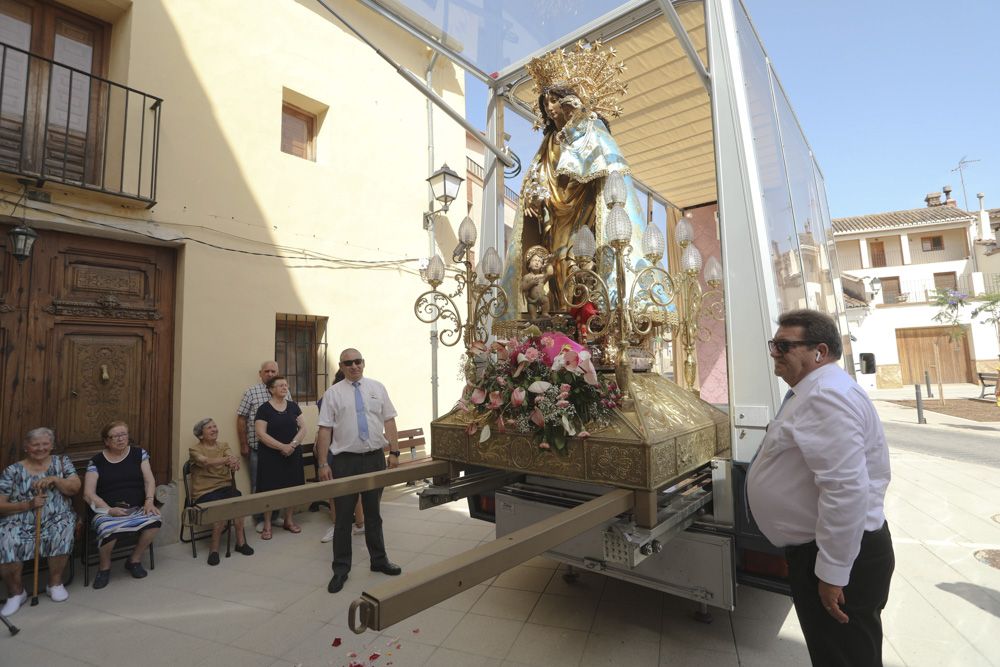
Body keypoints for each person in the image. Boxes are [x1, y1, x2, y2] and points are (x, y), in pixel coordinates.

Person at [746, 309, 894, 666]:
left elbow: (845, 491)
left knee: (844, 657)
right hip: (825, 551)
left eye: (784, 345)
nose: (774, 353)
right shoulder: (814, 390)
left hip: (836, 558)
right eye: (773, 344)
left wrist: (831, 573)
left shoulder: (826, 395)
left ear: (820, 351)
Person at [499, 42, 645, 318]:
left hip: (582, 211)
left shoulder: (590, 128)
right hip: (553, 216)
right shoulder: (548, 142)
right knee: (553, 264)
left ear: (570, 99)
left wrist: (579, 119)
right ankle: (557, 315)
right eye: (546, 102)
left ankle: (582, 317)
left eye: (555, 100)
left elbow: (602, 165)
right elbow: (538, 175)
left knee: (575, 262)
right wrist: (532, 195)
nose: (550, 107)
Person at [316, 349, 402, 593]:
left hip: (374, 459)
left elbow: (389, 420)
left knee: (374, 514)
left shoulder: (377, 388)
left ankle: (379, 560)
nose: (354, 366)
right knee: (343, 518)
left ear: (363, 363)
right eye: (348, 363)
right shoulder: (333, 394)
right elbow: (324, 430)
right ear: (342, 367)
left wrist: (394, 452)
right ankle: (341, 569)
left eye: (358, 361)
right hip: (345, 462)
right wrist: (323, 464)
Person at [0, 428, 80, 615]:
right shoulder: (12, 471)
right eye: (35, 445)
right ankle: (16, 593)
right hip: (20, 518)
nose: (41, 448)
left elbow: (74, 487)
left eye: (45, 444)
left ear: (51, 446)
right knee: (6, 539)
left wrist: (55, 479)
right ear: (26, 447)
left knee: (62, 529)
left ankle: (55, 583)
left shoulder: (62, 462)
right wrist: (27, 504)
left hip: (57, 515)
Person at [83, 421, 162, 590]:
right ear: (106, 441)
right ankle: (104, 567)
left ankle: (134, 560)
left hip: (136, 507)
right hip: (107, 510)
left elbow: (149, 480)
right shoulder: (96, 461)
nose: (120, 439)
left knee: (154, 520)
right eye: (115, 436)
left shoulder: (138, 454)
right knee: (107, 529)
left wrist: (149, 500)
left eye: (123, 434)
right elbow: (88, 493)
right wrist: (109, 509)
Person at [188, 418, 254, 565]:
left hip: (225, 487)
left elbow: (231, 457)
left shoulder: (224, 445)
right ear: (200, 435)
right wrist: (226, 460)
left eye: (215, 426)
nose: (214, 429)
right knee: (221, 507)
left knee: (238, 501)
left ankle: (240, 543)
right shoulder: (195, 449)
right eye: (209, 428)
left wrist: (234, 462)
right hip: (204, 492)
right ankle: (214, 549)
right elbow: (205, 461)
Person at [254, 375, 306, 540]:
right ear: (271, 389)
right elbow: (261, 434)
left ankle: (289, 520)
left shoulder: (293, 406)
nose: (285, 388)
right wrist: (282, 446)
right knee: (270, 489)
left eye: (286, 385)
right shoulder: (264, 409)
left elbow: (303, 428)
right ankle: (268, 523)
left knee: (293, 487)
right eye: (280, 385)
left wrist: (292, 445)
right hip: (270, 456)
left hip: (293, 454)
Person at [318, 369, 365, 545]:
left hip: (336, 448)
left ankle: (347, 524)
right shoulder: (332, 396)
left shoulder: (331, 396)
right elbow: (324, 428)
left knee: (337, 491)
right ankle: (354, 523)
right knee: (341, 490)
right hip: (332, 448)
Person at [237, 360, 280, 531]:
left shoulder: (283, 390)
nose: (270, 374)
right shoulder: (251, 392)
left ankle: (275, 516)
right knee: (258, 484)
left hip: (279, 449)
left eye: (273, 371)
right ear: (260, 373)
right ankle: (260, 519)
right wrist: (243, 443)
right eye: (267, 371)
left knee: (278, 482)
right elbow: (241, 418)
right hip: (258, 449)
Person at [521, 245, 553, 320]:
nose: (537, 263)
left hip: (542, 298)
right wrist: (530, 284)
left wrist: (549, 262)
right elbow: (523, 288)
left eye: (539, 261)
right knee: (532, 314)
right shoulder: (527, 277)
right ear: (529, 264)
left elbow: (550, 273)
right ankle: (533, 317)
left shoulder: (542, 276)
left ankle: (544, 313)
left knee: (546, 301)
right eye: (534, 260)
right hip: (532, 300)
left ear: (542, 265)